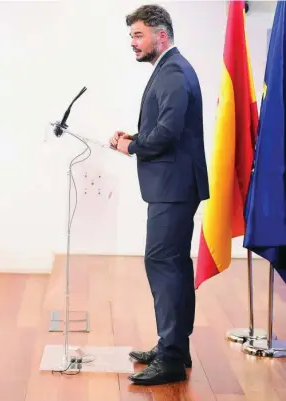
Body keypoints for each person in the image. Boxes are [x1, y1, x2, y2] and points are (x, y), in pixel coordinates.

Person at [110, 5, 209, 385]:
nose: (133, 44)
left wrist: (131, 148)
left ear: (160, 35)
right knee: (173, 266)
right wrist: (136, 138)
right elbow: (169, 129)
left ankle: (169, 357)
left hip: (174, 186)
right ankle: (174, 347)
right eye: (132, 36)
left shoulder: (172, 72)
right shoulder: (171, 69)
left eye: (138, 35)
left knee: (163, 264)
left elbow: (167, 134)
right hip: (174, 184)